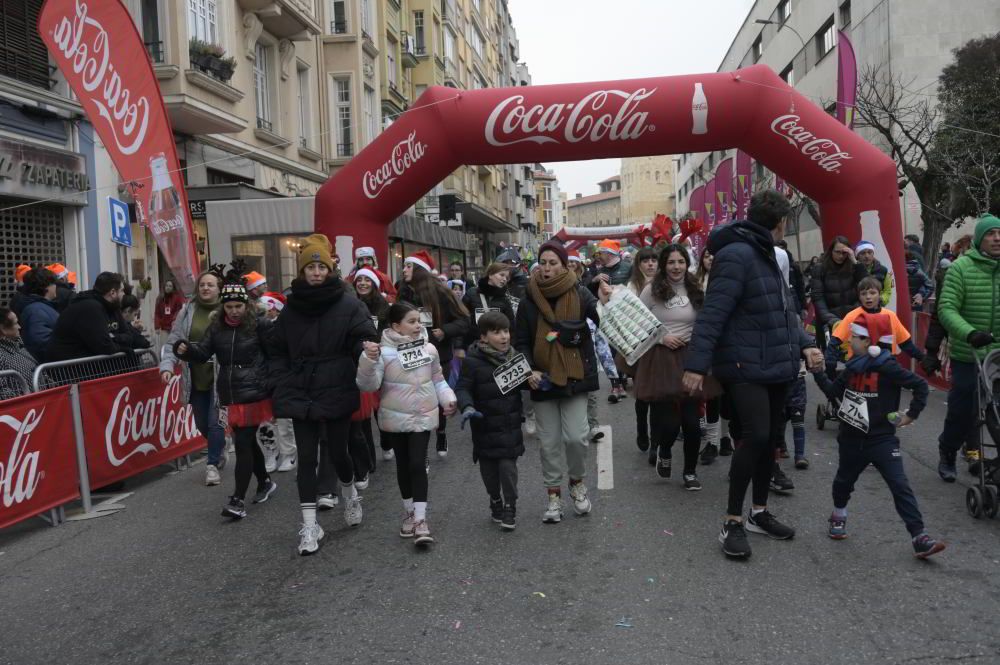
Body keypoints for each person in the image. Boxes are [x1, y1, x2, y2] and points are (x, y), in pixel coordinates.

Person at [682, 190, 823, 560]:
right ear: (780, 223)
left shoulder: (770, 256)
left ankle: (758, 512)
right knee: (757, 435)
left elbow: (782, 311)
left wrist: (806, 343)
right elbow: (713, 313)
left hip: (778, 362)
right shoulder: (736, 256)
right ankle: (731, 520)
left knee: (770, 440)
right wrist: (696, 365)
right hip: (744, 365)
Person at [267, 233, 377, 555]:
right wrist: (278, 379)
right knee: (306, 457)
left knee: (340, 452)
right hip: (300, 388)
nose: (315, 272)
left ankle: (350, 493)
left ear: (329, 270)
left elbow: (360, 335)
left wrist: (365, 350)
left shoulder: (348, 303)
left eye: (321, 267)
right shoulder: (290, 309)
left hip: (336, 383)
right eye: (310, 267)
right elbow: (276, 348)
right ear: (301, 272)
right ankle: (310, 525)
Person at [812, 312, 944, 558]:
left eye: (855, 338)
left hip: (882, 438)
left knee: (900, 485)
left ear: (868, 343)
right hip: (851, 438)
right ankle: (839, 514)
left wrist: (911, 415)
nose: (849, 342)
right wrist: (818, 372)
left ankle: (919, 536)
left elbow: (920, 386)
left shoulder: (889, 367)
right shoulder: (850, 369)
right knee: (844, 482)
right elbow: (832, 392)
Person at [173, 267, 277, 520]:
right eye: (229, 307)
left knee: (242, 444)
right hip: (229, 392)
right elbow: (203, 352)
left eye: (238, 306)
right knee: (247, 442)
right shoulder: (217, 327)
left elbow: (275, 356)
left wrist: (274, 385)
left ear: (246, 306)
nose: (233, 311)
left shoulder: (260, 325)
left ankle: (238, 499)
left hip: (254, 391)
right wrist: (184, 350)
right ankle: (264, 481)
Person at [357, 302, 457, 545]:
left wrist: (448, 398)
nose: (418, 326)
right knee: (403, 466)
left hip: (423, 416)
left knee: (417, 463)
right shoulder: (382, 353)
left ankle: (422, 520)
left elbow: (438, 380)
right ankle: (409, 513)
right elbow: (368, 385)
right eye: (411, 322)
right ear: (395, 326)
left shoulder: (430, 349)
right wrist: (367, 360)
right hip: (394, 417)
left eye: (419, 321)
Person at [514, 240, 600, 523]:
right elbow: (522, 341)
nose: (548, 268)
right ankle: (553, 496)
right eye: (544, 263)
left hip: (575, 376)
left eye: (554, 262)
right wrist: (530, 371)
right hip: (543, 379)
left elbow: (601, 320)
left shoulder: (581, 292)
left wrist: (608, 300)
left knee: (576, 437)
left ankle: (576, 483)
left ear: (565, 265)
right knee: (549, 443)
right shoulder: (528, 300)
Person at [634, 243, 706, 490]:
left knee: (693, 424)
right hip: (661, 359)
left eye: (681, 262)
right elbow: (636, 323)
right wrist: (661, 337)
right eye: (672, 262)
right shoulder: (650, 290)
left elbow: (708, 321)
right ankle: (664, 450)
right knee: (670, 423)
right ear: (664, 265)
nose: (676, 267)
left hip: (691, 359)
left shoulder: (696, 287)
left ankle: (689, 472)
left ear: (687, 263)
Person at [935, 214, 1000, 482]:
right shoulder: (960, 268)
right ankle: (948, 451)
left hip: (997, 356)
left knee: (997, 412)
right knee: (963, 410)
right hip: (968, 353)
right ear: (979, 239)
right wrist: (969, 333)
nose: (997, 238)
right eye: (991, 234)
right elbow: (946, 308)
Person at [396, 249, 471, 458]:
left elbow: (464, 320)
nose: (404, 269)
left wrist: (445, 331)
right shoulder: (403, 291)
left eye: (408, 266)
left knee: (437, 401)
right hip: (410, 357)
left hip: (439, 357)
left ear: (420, 270)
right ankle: (421, 452)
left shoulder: (441, 291)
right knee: (416, 403)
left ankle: (441, 431)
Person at [456, 311, 526, 530]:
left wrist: (537, 380)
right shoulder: (472, 361)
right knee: (489, 473)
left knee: (508, 468)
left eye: (506, 331)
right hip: (484, 425)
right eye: (497, 333)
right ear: (484, 337)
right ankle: (495, 499)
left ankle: (510, 506)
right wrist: (467, 406)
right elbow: (463, 387)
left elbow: (525, 384)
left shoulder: (515, 358)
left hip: (509, 425)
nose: (504, 337)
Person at [161, 269, 229, 486]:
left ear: (219, 289)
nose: (206, 288)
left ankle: (211, 466)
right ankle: (219, 447)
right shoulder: (187, 311)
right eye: (202, 285)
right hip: (194, 373)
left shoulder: (227, 309)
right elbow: (174, 341)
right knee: (201, 423)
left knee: (214, 420)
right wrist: (167, 366)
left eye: (210, 285)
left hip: (220, 373)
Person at [46, 272, 137, 362]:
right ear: (113, 292)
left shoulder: (112, 307)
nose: (124, 294)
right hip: (72, 370)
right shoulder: (91, 307)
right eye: (122, 290)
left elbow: (129, 336)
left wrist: (113, 337)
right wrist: (122, 347)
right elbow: (104, 346)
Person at [350, 268, 390, 467]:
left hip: (380, 358)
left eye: (367, 280)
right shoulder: (350, 304)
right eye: (360, 280)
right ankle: (368, 460)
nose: (363, 283)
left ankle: (386, 439)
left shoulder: (383, 306)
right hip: (359, 360)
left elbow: (389, 333)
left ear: (374, 284)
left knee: (380, 407)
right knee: (364, 410)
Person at [625, 247, 658, 453]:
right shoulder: (632, 286)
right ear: (639, 264)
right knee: (642, 395)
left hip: (661, 346)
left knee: (657, 396)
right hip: (639, 345)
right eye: (646, 260)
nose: (651, 264)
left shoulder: (665, 284)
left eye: (654, 260)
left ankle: (656, 441)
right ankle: (641, 429)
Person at [17, 267, 59, 362]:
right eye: (54, 283)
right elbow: (40, 343)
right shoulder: (35, 310)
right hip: (48, 368)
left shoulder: (40, 307)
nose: (56, 286)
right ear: (46, 287)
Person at [0, 307, 37, 401]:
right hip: (24, 409)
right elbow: (2, 390)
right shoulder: (2, 354)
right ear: (3, 329)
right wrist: (23, 400)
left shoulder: (18, 344)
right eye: (15, 323)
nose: (19, 327)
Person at [854, 240, 892, 307]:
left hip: (877, 307)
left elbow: (887, 291)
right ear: (857, 256)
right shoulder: (853, 270)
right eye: (863, 253)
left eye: (869, 252)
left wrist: (881, 299)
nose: (867, 256)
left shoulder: (883, 270)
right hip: (857, 308)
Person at [154, 279, 185, 352]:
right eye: (167, 286)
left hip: (174, 327)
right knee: (164, 346)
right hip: (164, 327)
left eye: (170, 286)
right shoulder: (160, 298)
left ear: (173, 288)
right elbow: (157, 313)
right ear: (164, 287)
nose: (168, 287)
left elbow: (179, 311)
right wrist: (157, 326)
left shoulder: (177, 298)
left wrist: (174, 320)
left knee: (175, 346)